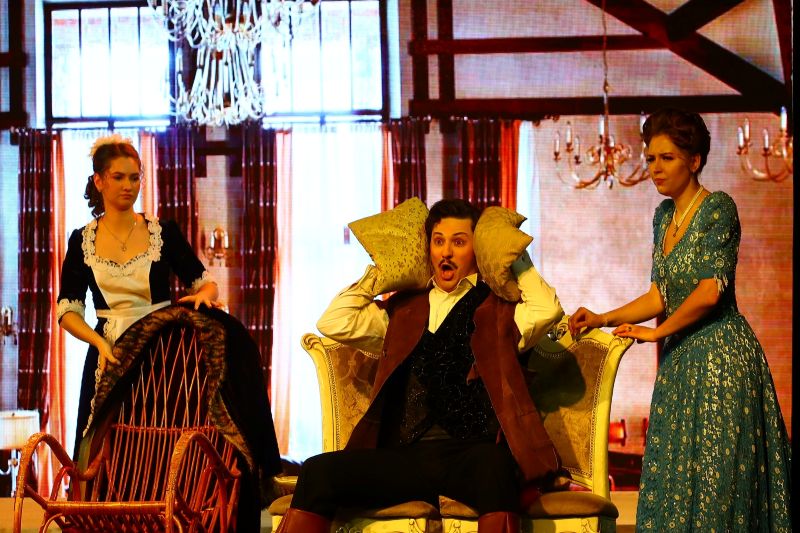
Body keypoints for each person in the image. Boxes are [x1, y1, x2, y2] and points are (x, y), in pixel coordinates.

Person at [277, 198, 564, 533]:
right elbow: (334, 321)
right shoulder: (402, 311)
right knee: (317, 472)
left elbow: (547, 309)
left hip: (470, 455)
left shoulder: (500, 310)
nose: (446, 252)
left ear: (477, 250)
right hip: (405, 457)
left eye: (459, 242)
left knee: (496, 466)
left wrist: (510, 255)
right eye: (438, 241)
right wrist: (383, 271)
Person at [568, 108, 792, 532]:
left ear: (694, 160)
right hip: (679, 364)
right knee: (676, 480)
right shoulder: (662, 217)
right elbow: (659, 294)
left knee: (717, 485)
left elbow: (710, 291)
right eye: (651, 158)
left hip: (722, 359)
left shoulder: (718, 208)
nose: (655, 168)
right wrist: (602, 317)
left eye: (666, 158)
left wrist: (657, 333)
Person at [56, 133, 282, 529]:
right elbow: (68, 310)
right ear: (99, 181)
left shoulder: (162, 232)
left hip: (165, 357)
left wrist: (203, 299)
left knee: (166, 446)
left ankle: (177, 517)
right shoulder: (81, 241)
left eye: (135, 177)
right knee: (111, 450)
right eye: (119, 177)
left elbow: (204, 283)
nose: (128, 186)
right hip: (110, 353)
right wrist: (96, 341)